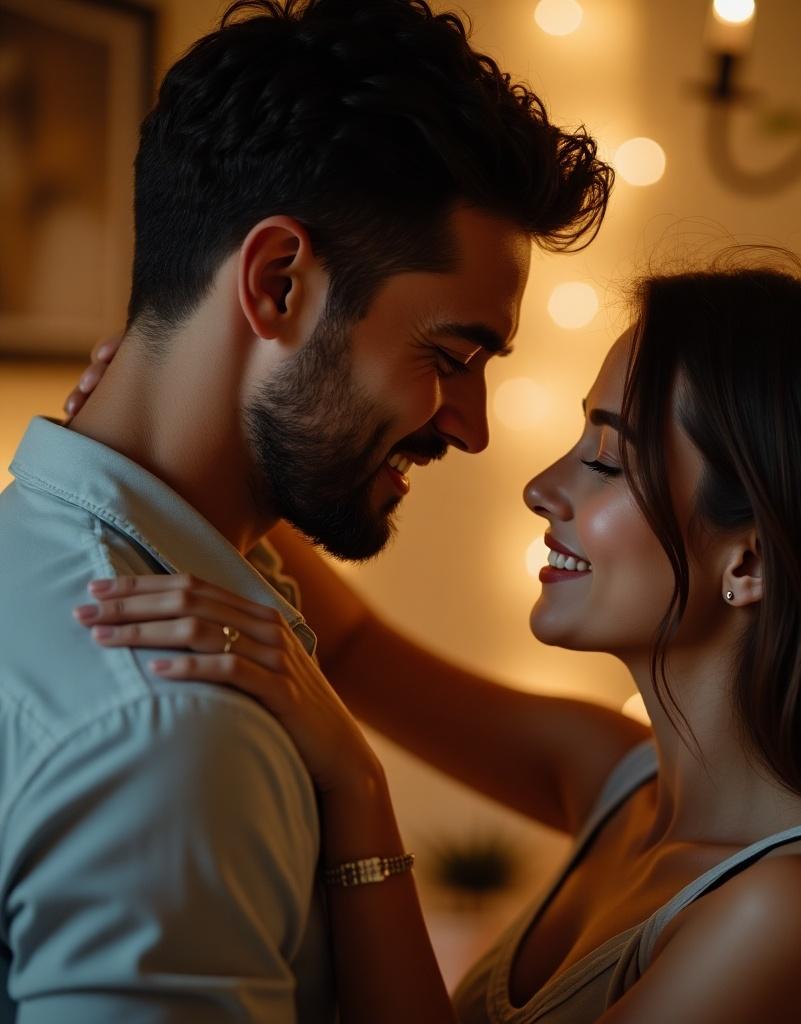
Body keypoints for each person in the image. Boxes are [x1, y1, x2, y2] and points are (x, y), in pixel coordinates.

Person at [70, 258, 801, 1022]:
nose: (542, 485)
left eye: (608, 457)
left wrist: (357, 792)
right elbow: (354, 651)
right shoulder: (623, 782)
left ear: (753, 561)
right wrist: (157, 435)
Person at [0, 0, 612, 1018]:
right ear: (278, 282)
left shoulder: (42, 560)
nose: (472, 429)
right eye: (449, 357)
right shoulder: (171, 720)